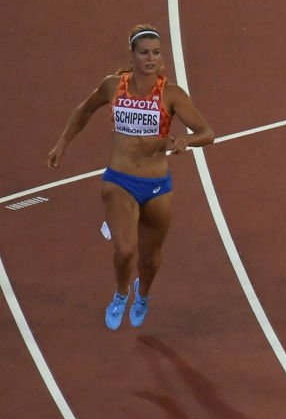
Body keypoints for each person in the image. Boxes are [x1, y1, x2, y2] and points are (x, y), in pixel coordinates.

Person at [47, 24, 214, 330]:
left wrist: (185, 141)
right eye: (144, 53)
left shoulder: (172, 94)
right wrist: (62, 144)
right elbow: (84, 110)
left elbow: (207, 133)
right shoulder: (114, 86)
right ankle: (121, 293)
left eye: (156, 53)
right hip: (119, 180)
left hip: (157, 186)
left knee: (150, 258)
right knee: (125, 250)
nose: (151, 58)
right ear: (132, 55)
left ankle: (143, 294)